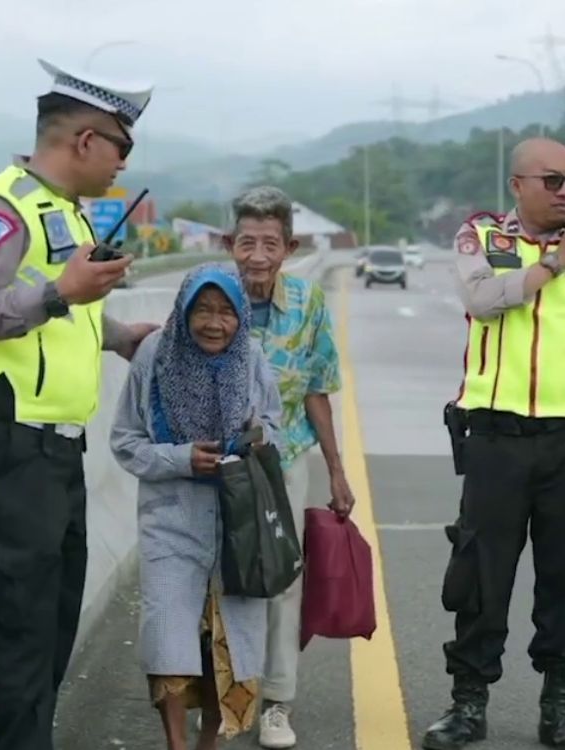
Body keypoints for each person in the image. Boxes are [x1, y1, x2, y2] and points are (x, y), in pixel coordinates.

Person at [0, 57, 161, 750]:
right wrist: (61, 292)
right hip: (5, 445)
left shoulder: (61, 211)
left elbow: (59, 317)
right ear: (85, 140)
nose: (125, 162)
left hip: (55, 449)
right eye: (122, 146)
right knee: (17, 636)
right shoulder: (0, 207)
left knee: (50, 628)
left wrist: (120, 335)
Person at [421, 137, 565, 750]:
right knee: (480, 576)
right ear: (517, 185)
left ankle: (561, 710)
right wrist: (552, 262)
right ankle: (468, 705)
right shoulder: (482, 238)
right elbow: (482, 300)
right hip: (495, 439)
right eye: (552, 181)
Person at [110, 262, 283, 750]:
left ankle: (208, 744)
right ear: (183, 313)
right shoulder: (152, 356)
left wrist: (252, 440)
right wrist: (181, 458)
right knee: (168, 638)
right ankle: (175, 745)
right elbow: (125, 441)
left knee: (228, 649)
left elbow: (276, 428)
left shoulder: (251, 357)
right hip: (171, 521)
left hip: (239, 526)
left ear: (241, 317)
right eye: (202, 311)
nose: (213, 323)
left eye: (226, 312)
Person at [222, 185, 354, 749]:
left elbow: (320, 389)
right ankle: (229, 695)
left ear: (290, 247)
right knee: (225, 578)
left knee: (280, 580)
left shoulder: (307, 303)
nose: (256, 255)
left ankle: (277, 702)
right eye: (246, 242)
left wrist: (337, 471)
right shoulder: (210, 298)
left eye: (268, 243)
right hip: (220, 462)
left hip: (286, 459)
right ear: (230, 243)